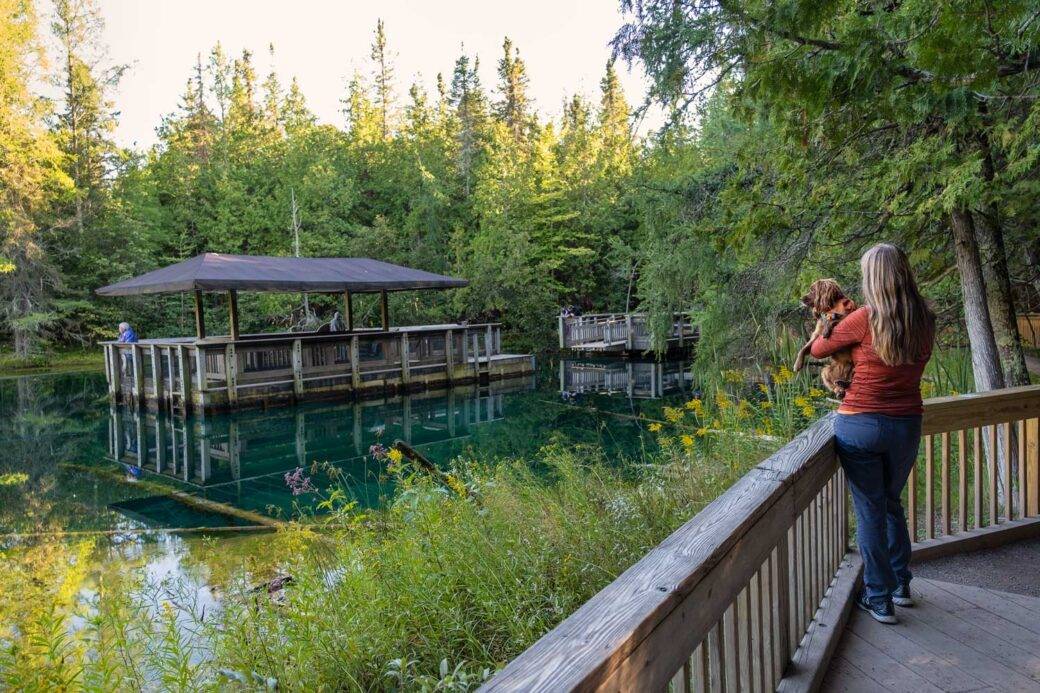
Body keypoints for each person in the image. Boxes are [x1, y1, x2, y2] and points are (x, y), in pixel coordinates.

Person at [810, 243, 935, 625]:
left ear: (873, 278)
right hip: (906, 425)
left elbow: (818, 349)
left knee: (870, 511)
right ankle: (900, 585)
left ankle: (878, 598)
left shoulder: (864, 318)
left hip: (860, 425)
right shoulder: (926, 318)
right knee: (891, 503)